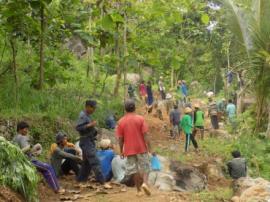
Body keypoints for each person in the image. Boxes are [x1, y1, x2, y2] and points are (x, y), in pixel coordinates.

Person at [13, 122, 62, 193]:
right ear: (20, 129)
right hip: (29, 161)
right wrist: (35, 150)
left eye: (27, 129)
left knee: (46, 168)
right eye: (25, 129)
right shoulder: (22, 137)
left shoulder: (15, 138)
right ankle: (56, 189)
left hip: (22, 160)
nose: (27, 131)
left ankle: (56, 187)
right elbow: (26, 151)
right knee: (48, 168)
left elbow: (22, 151)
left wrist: (34, 150)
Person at [116, 99, 152, 196]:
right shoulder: (140, 119)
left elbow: (120, 139)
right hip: (141, 148)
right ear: (134, 108)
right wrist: (150, 148)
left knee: (134, 170)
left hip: (129, 150)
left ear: (125, 109)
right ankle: (145, 183)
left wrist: (121, 151)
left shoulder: (121, 122)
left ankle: (139, 191)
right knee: (146, 167)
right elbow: (146, 134)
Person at [75, 100, 105, 185]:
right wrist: (90, 125)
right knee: (95, 160)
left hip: (89, 140)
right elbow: (78, 127)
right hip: (86, 141)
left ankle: (81, 180)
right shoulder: (83, 115)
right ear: (87, 106)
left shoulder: (87, 115)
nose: (94, 110)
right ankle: (102, 181)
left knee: (86, 163)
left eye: (95, 108)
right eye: (93, 108)